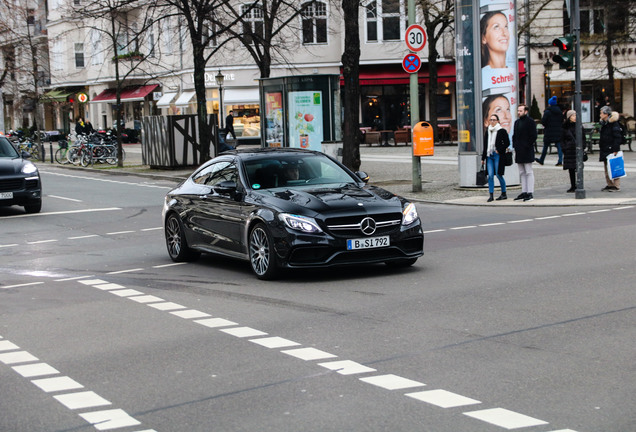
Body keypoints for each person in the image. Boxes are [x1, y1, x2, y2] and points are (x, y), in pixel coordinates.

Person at [482, 114, 510, 202]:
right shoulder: (488, 131)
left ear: (498, 121)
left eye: (494, 120)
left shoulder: (501, 131)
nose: (492, 121)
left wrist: (500, 150)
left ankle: (504, 193)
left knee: (498, 174)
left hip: (498, 155)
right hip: (489, 155)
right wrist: (483, 158)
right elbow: (485, 145)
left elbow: (507, 143)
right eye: (491, 120)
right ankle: (491, 195)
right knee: (490, 175)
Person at [512, 104, 537, 201]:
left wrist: (527, 145)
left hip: (526, 149)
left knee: (528, 171)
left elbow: (533, 135)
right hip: (519, 150)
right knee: (522, 172)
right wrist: (515, 145)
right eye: (518, 111)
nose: (519, 112)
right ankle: (524, 191)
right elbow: (515, 135)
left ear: (526, 111)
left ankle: (530, 192)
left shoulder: (530, 122)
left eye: (521, 111)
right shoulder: (517, 122)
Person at [598, 106, 623, 192]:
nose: (600, 115)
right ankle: (609, 184)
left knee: (614, 166)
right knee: (606, 166)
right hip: (605, 147)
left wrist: (615, 149)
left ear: (606, 114)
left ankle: (616, 185)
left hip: (611, 147)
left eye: (601, 113)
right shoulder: (604, 123)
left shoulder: (613, 123)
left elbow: (617, 137)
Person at [561, 110, 584, 193]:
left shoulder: (579, 126)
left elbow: (583, 138)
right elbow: (562, 139)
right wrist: (564, 148)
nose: (575, 117)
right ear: (569, 117)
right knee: (571, 168)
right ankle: (573, 185)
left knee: (578, 168)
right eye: (573, 115)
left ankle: (579, 183)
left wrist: (582, 147)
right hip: (569, 150)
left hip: (577, 149)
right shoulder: (565, 127)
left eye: (575, 115)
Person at [536, 96, 563, 166]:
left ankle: (542, 159)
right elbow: (562, 121)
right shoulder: (559, 112)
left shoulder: (547, 112)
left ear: (549, 104)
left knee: (545, 146)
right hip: (558, 131)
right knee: (559, 146)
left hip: (549, 131)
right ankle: (560, 160)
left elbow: (543, 121)